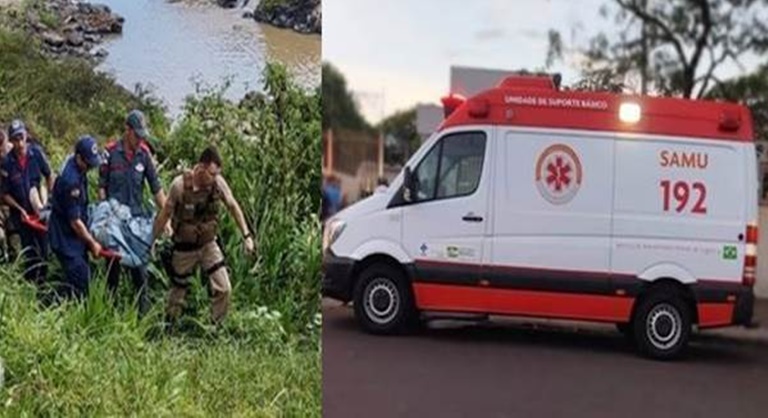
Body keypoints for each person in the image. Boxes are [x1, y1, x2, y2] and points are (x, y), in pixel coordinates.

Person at [152, 146, 255, 325]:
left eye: (217, 174)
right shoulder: (179, 186)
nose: (215, 178)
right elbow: (164, 215)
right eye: (212, 173)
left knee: (224, 288)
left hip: (208, 245)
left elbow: (232, 205)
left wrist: (246, 235)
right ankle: (169, 327)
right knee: (177, 292)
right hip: (184, 247)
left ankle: (216, 326)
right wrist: (151, 240)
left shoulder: (218, 184)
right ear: (200, 167)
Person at [99, 109, 166, 315]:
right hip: (115, 224)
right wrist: (105, 218)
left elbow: (156, 189)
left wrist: (167, 218)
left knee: (140, 274)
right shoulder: (109, 152)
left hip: (136, 226)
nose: (139, 139)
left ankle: (142, 321)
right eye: (136, 135)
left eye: (142, 135)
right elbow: (102, 188)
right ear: (127, 130)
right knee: (112, 273)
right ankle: (107, 316)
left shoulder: (144, 155)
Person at [48, 136, 103, 299]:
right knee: (83, 282)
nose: (90, 168)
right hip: (65, 238)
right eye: (88, 164)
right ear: (79, 157)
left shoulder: (79, 167)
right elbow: (75, 222)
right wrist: (92, 243)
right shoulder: (70, 180)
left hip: (75, 238)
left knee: (81, 277)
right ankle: (53, 303)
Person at [0, 120, 54, 284]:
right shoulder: (7, 163)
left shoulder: (36, 153)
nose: (19, 143)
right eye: (15, 139)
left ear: (26, 136)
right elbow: (4, 194)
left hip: (39, 211)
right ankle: (31, 283)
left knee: (44, 251)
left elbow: (49, 175)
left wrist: (49, 200)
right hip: (21, 215)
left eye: (21, 137)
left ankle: (43, 284)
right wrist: (18, 208)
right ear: (11, 141)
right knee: (30, 252)